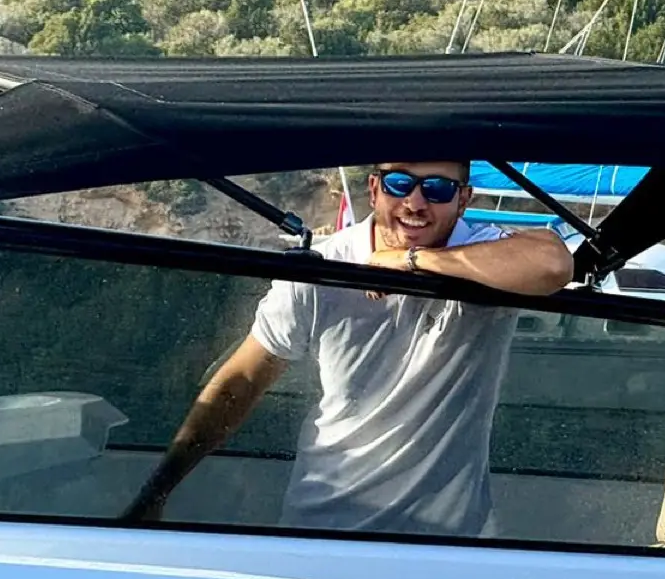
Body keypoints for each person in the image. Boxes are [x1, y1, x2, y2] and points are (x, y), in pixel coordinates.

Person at [124, 159, 573, 536]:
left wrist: (412, 261)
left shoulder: (482, 254)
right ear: (374, 189)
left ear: (464, 199)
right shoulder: (324, 268)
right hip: (322, 525)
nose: (415, 203)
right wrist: (157, 490)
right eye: (400, 183)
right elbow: (240, 380)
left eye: (437, 189)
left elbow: (553, 264)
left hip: (452, 538)